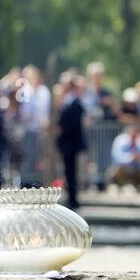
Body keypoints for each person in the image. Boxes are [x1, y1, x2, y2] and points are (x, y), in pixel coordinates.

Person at [55, 75, 86, 207]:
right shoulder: (66, 101)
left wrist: (62, 129)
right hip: (66, 142)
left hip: (71, 142)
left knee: (71, 171)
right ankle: (71, 196)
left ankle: (73, 197)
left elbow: (73, 124)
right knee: (68, 170)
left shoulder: (75, 103)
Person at [109, 123, 140, 191]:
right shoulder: (120, 140)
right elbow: (116, 158)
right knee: (116, 170)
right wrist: (130, 158)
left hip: (137, 170)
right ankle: (117, 186)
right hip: (123, 169)